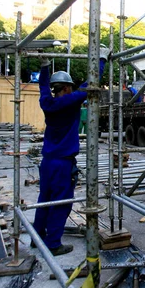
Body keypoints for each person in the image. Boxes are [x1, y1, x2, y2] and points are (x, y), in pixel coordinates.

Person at [33, 45, 109, 256]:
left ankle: (37, 237)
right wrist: (101, 60)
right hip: (63, 163)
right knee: (61, 203)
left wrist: (45, 66)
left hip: (47, 161)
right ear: (66, 87)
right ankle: (53, 244)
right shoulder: (71, 101)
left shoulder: (46, 102)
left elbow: (42, 87)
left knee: (45, 199)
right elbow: (90, 84)